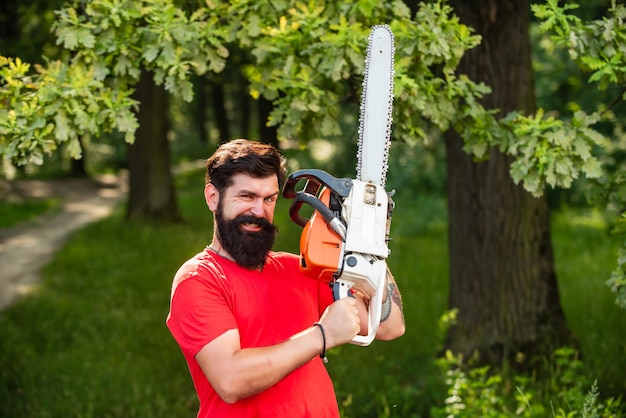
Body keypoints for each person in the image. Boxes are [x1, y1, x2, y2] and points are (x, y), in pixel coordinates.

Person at [166, 139, 405, 417]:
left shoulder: (299, 269)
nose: (259, 211)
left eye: (269, 199)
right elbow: (231, 379)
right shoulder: (199, 280)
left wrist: (368, 246)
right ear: (213, 197)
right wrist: (323, 335)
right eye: (247, 197)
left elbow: (389, 327)